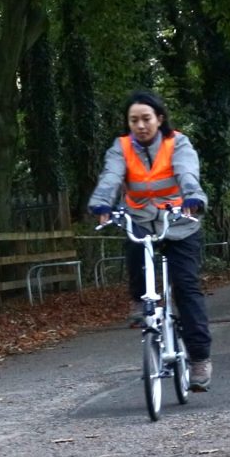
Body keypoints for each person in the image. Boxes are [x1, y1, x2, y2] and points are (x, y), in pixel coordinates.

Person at [88, 90, 213, 391]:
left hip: (180, 221)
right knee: (135, 254)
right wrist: (102, 203)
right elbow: (111, 177)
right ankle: (139, 300)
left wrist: (193, 198)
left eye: (146, 119)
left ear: (159, 119)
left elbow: (186, 173)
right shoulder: (120, 147)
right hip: (141, 218)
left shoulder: (177, 143)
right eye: (134, 120)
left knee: (186, 287)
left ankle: (199, 359)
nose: (141, 125)